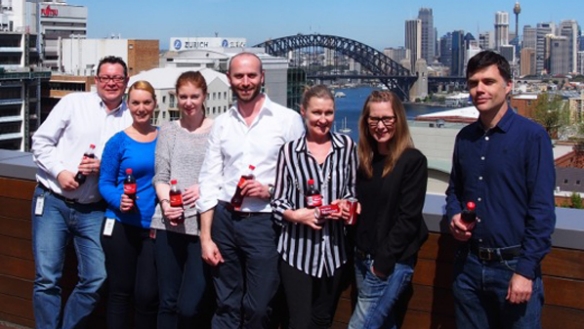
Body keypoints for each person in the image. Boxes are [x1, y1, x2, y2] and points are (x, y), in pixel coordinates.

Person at [446, 50, 556, 328]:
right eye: (473, 83)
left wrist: (526, 271)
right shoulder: (465, 138)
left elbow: (542, 210)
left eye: (488, 81)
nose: (479, 89)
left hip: (513, 268)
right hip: (468, 267)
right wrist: (454, 217)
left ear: (508, 85)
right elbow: (454, 192)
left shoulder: (533, 137)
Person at [197, 52, 305, 329]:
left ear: (262, 77)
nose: (245, 82)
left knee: (258, 308)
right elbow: (210, 180)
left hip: (265, 223)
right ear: (230, 79)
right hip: (224, 219)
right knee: (226, 304)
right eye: (239, 76)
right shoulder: (221, 123)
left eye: (251, 75)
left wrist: (270, 190)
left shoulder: (287, 120)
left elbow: (301, 179)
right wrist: (206, 237)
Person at [31, 56, 132, 329]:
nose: (111, 83)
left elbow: (133, 165)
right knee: (47, 278)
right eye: (105, 77)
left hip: (94, 208)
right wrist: (59, 172)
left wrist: (104, 167)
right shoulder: (74, 103)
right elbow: (40, 142)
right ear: (96, 80)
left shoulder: (130, 118)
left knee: (96, 278)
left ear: (126, 81)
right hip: (52, 201)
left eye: (117, 78)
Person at [271, 85, 357, 329]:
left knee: (323, 320)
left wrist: (346, 205)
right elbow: (277, 201)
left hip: (334, 252)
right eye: (316, 113)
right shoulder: (289, 152)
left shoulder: (347, 147)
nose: (323, 119)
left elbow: (352, 192)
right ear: (303, 113)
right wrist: (295, 215)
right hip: (298, 252)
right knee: (299, 322)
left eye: (328, 113)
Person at [348, 90, 429, 329]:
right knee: (383, 324)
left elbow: (408, 218)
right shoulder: (364, 160)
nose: (380, 125)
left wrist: (381, 265)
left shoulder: (412, 161)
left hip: (388, 264)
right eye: (374, 119)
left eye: (387, 119)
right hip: (361, 259)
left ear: (398, 120)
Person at [151, 71, 214, 328]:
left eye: (194, 96)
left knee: (191, 304)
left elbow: (225, 173)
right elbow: (161, 176)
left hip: (202, 225)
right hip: (169, 223)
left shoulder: (217, 129)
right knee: (167, 301)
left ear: (204, 97)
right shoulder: (169, 130)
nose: (189, 102)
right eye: (184, 96)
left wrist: (204, 187)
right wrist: (167, 205)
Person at [98, 80, 159, 329]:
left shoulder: (165, 137)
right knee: (120, 292)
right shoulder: (118, 142)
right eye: (135, 102)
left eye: (146, 102)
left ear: (155, 104)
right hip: (120, 225)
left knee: (147, 296)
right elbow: (105, 183)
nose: (141, 108)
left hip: (152, 227)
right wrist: (118, 200)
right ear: (128, 105)